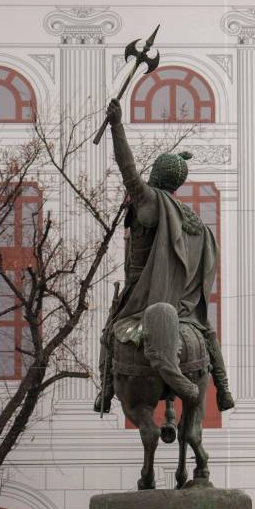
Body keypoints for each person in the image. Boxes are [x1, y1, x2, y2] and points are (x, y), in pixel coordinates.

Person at [94, 98, 234, 414]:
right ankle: (223, 389)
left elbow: (127, 167)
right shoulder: (195, 222)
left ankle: (104, 392)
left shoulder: (149, 202)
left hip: (142, 299)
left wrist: (116, 126)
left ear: (156, 176)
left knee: (108, 335)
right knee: (207, 332)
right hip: (185, 308)